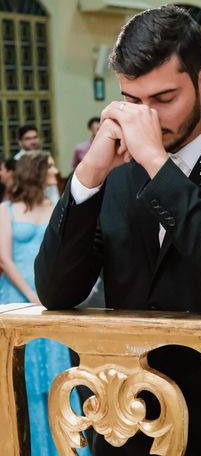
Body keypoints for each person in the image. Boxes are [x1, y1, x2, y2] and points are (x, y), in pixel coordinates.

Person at [35, 5, 201, 455]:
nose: (147, 119)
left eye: (163, 99)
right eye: (132, 101)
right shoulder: (117, 172)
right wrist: (88, 179)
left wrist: (160, 167)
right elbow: (57, 291)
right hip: (126, 423)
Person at [0, 151, 88, 456]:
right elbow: (4, 258)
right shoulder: (6, 210)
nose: (55, 169)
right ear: (35, 172)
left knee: (55, 373)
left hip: (47, 297)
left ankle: (63, 446)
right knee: (21, 375)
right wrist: (30, 295)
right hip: (16, 296)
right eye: (49, 165)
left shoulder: (53, 206)